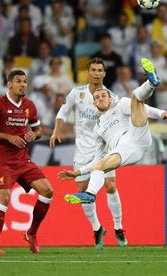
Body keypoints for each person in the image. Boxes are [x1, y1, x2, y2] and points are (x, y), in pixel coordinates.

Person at [58, 58, 167, 209]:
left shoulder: (120, 105)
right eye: (97, 98)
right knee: (99, 166)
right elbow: (96, 160)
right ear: (94, 103)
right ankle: (90, 194)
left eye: (103, 96)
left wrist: (160, 113)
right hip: (123, 150)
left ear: (110, 98)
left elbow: (143, 110)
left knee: (135, 97)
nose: (100, 98)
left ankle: (151, 83)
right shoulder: (97, 129)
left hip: (137, 135)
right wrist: (77, 173)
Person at [50, 58, 126, 249]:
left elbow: (122, 118)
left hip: (105, 149)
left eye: (100, 70)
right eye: (93, 70)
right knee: (82, 191)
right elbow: (62, 111)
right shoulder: (77, 93)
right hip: (83, 150)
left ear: (104, 73)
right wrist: (56, 130)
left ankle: (118, 227)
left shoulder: (112, 97)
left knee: (110, 185)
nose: (97, 73)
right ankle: (97, 228)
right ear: (88, 72)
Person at [0, 70, 54, 255]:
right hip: (2, 161)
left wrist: (33, 135)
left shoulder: (29, 105)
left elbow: (38, 131)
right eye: (19, 81)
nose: (23, 85)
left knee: (47, 190)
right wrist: (8, 137)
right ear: (9, 84)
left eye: (25, 82)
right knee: (4, 197)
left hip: (22, 160)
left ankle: (32, 233)